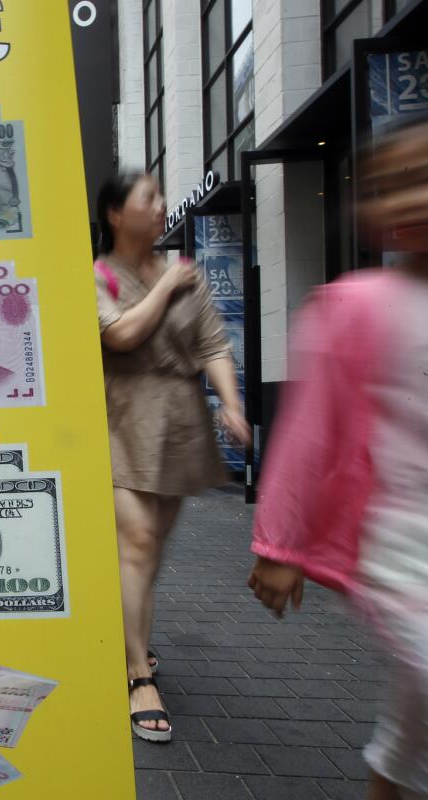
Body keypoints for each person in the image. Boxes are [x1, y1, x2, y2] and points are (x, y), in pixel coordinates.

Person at [247, 114, 428, 800]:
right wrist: (278, 545)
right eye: (393, 185)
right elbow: (310, 434)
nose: (417, 197)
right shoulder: (357, 306)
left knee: (413, 735)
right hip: (406, 566)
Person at [94, 170, 249, 743]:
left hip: (180, 421)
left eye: (162, 197)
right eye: (148, 197)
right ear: (116, 213)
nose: (161, 206)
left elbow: (212, 343)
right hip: (121, 417)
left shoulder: (190, 276)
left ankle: (131, 634)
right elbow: (121, 335)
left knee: (150, 551)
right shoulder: (98, 275)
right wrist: (166, 287)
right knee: (134, 543)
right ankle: (139, 677)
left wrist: (231, 405)